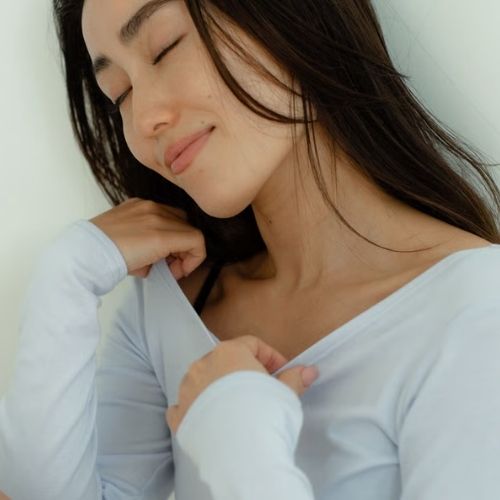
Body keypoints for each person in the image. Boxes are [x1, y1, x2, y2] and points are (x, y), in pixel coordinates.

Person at [1, 0, 500, 499]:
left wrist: (236, 438)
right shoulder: (171, 305)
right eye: (121, 94)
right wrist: (67, 275)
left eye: (165, 47)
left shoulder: (476, 313)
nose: (146, 117)